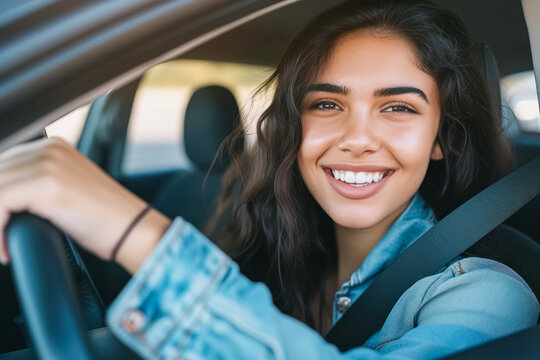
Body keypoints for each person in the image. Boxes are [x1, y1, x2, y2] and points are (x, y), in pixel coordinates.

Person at [0, 0, 538, 358]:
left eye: (397, 108)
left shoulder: (487, 297)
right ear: (292, 127)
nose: (357, 138)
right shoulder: (278, 247)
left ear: (440, 139)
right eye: (327, 103)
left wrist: (133, 232)